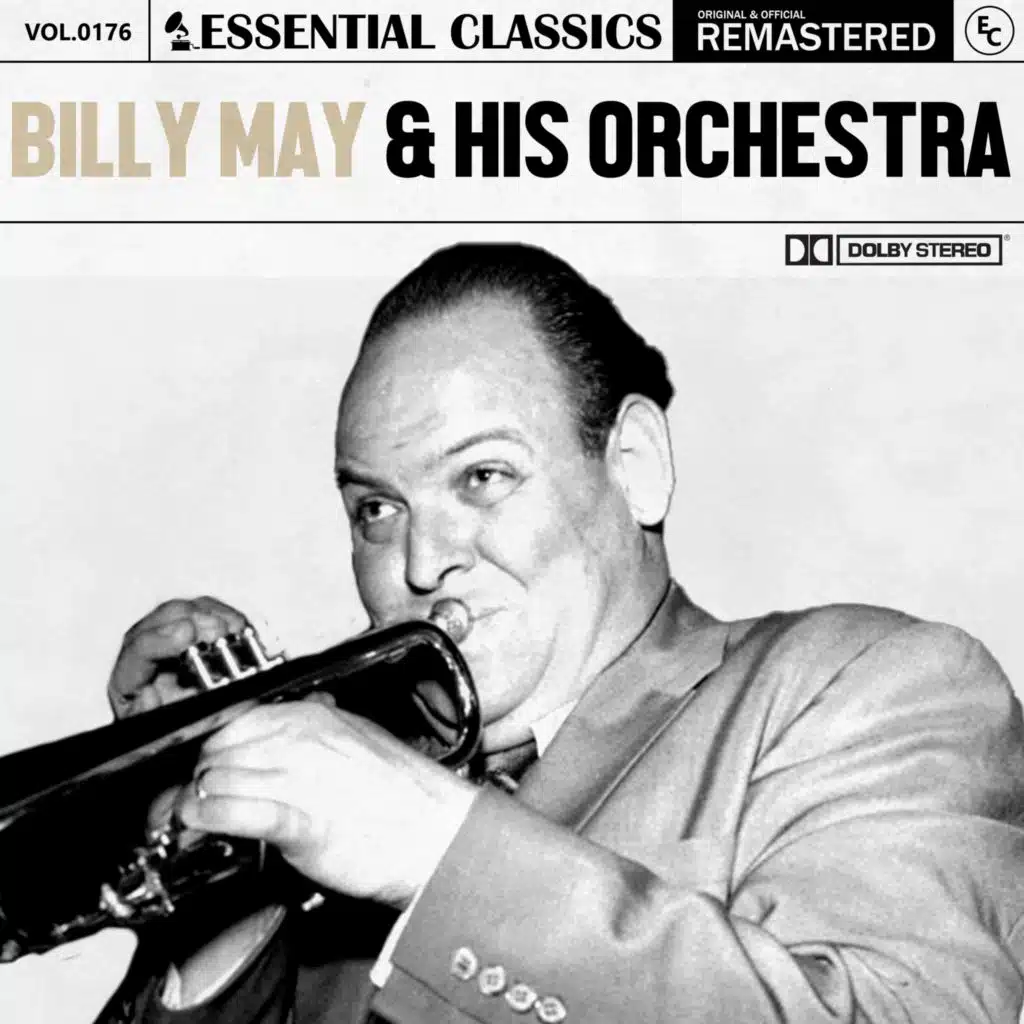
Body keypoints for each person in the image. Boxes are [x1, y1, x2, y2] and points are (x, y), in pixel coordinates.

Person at [98, 243, 1024, 1023]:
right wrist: (218, 896)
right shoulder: (329, 834)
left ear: (635, 465)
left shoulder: (872, 681)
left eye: (482, 478)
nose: (420, 562)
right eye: (377, 509)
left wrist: (438, 852)